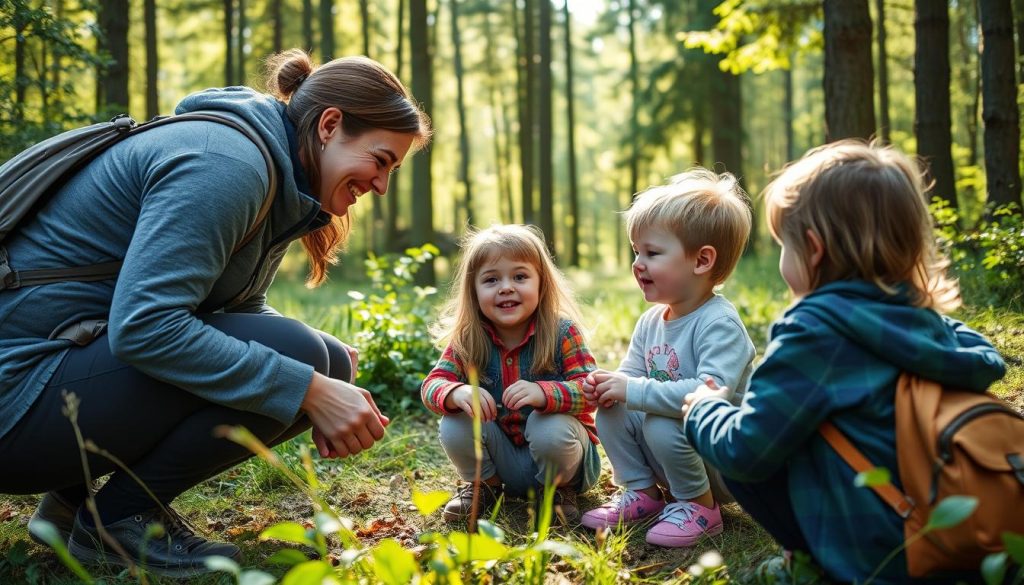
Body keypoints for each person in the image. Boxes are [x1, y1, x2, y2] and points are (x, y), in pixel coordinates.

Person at [0, 49, 431, 577]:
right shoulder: (226, 165)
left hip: (52, 382)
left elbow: (234, 309)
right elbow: (147, 328)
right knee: (306, 366)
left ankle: (72, 509)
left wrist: (327, 369)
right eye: (381, 160)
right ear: (330, 124)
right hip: (14, 402)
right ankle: (118, 521)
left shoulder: (273, 170)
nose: (382, 186)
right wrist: (310, 387)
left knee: (324, 359)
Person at [681, 141, 1006, 583]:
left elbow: (745, 453)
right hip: (947, 528)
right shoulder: (927, 322)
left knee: (736, 429)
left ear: (812, 249)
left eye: (783, 244)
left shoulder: (814, 332)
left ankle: (813, 565)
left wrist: (703, 409)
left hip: (879, 556)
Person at [580, 169, 755, 548]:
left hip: (721, 460)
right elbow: (633, 375)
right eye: (636, 252)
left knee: (659, 420)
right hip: (672, 446)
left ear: (702, 260)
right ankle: (643, 493)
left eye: (653, 253)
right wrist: (610, 386)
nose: (638, 263)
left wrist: (634, 390)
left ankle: (701, 508)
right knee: (613, 409)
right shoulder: (651, 320)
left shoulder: (720, 324)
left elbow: (709, 395)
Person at [420, 224, 600, 524]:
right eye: (491, 279)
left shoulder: (562, 333)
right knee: (455, 421)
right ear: (474, 291)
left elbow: (590, 391)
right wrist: (456, 392)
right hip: (501, 462)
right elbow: (431, 386)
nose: (506, 287)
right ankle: (484, 488)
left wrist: (545, 394)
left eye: (520, 276)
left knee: (548, 425)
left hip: (562, 462)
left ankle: (557, 493)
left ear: (541, 284)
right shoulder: (469, 339)